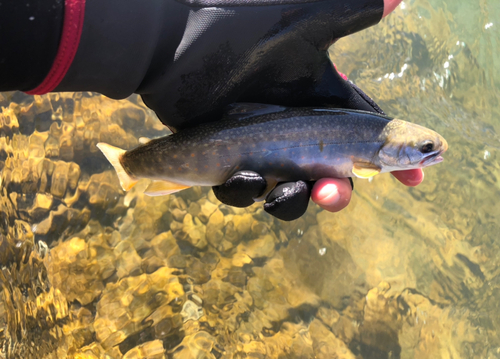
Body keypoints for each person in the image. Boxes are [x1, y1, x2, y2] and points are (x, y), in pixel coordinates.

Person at [0, 0, 422, 221]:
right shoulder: (369, 151)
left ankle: (134, 165)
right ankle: (133, 165)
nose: (427, 154)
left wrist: (157, 31)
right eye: (422, 149)